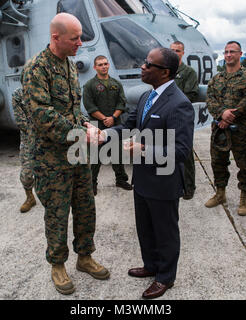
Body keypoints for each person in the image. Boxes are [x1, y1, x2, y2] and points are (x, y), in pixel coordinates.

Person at [20, 13, 109, 295]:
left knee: (85, 206)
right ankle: (57, 264)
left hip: (77, 153)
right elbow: (43, 116)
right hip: (51, 159)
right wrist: (84, 134)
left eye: (80, 37)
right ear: (56, 38)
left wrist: (85, 124)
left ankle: (85, 256)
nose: (80, 43)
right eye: (75, 38)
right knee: (57, 213)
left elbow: (72, 108)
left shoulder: (70, 66)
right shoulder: (37, 69)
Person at [103, 48, 194, 299]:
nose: (142, 67)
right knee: (145, 228)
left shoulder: (180, 104)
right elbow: (128, 126)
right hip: (142, 179)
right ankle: (151, 265)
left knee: (165, 231)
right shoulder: (146, 97)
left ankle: (165, 277)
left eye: (148, 65)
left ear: (164, 72)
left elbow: (181, 150)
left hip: (163, 182)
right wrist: (104, 135)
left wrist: (144, 148)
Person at [205, 41, 246, 216]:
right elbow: (210, 100)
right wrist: (222, 114)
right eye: (226, 52)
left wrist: (230, 116)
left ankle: (244, 197)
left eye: (232, 52)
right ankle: (220, 193)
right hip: (219, 129)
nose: (228, 55)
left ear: (240, 54)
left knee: (245, 164)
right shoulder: (216, 79)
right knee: (218, 162)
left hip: (240, 130)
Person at [82, 55, 132, 195]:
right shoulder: (90, 85)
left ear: (108, 65)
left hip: (115, 123)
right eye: (100, 64)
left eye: (105, 64)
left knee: (117, 152)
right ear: (95, 67)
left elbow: (122, 103)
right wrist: (105, 119)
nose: (103, 66)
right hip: (97, 124)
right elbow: (89, 106)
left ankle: (121, 179)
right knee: (96, 155)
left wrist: (113, 117)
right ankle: (92, 184)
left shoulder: (116, 83)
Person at [170, 41, 199, 200]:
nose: (175, 53)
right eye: (172, 50)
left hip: (182, 119)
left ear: (183, 53)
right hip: (166, 119)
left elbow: (191, 94)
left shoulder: (188, 72)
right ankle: (173, 184)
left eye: (178, 50)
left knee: (185, 154)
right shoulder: (165, 71)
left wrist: (170, 106)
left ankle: (189, 187)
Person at [11, 87, 37, 212]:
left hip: (49, 136)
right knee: (27, 172)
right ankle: (30, 197)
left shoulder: (46, 89)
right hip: (29, 139)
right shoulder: (18, 94)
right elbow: (21, 121)